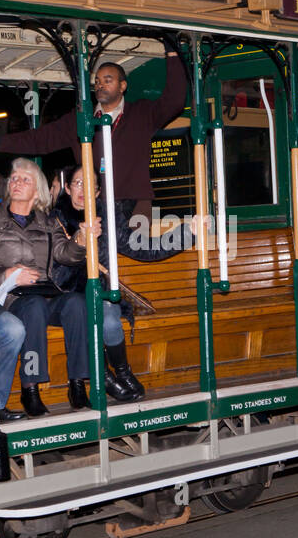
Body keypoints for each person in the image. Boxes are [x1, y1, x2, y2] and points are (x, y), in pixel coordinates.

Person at [50, 164, 194, 402]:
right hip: (65, 294)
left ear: (98, 193)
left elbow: (143, 246)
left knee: (108, 318)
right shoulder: (55, 219)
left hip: (100, 291)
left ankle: (123, 371)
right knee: (82, 311)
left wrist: (188, 233)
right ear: (67, 188)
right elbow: (57, 262)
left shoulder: (106, 217)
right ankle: (103, 376)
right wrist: (80, 239)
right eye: (78, 183)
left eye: (91, 186)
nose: (83, 190)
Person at [0, 52, 186, 217]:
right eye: (98, 81)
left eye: (108, 80)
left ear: (123, 86)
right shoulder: (81, 119)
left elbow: (174, 101)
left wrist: (173, 54)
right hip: (94, 204)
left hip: (136, 205)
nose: (100, 85)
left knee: (132, 258)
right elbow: (40, 140)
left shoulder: (142, 113)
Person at [0, 157, 99, 417]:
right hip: (11, 298)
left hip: (44, 292)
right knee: (34, 307)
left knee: (76, 302)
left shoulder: (47, 223)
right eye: (14, 178)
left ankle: (78, 383)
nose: (17, 182)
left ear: (37, 190)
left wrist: (80, 240)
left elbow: (64, 254)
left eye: (25, 179)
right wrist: (6, 275)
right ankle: (31, 387)